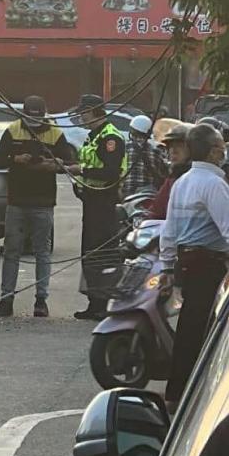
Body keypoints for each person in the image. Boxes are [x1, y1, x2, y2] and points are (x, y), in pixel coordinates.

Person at [160, 123, 229, 406]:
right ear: (213, 151)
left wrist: (166, 267)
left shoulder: (183, 183)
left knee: (190, 328)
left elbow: (170, 229)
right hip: (208, 265)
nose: (223, 150)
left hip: (187, 264)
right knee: (204, 332)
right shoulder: (214, 185)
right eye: (221, 146)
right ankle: (190, 397)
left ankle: (177, 393)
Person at [0, 95, 77, 318]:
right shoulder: (13, 130)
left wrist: (53, 164)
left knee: (42, 252)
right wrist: (16, 159)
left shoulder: (55, 133)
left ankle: (41, 300)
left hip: (43, 202)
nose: (34, 126)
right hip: (16, 201)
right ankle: (6, 299)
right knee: (11, 251)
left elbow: (69, 163)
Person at [68, 94, 128, 320]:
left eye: (84, 112)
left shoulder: (110, 137)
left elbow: (111, 173)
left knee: (103, 253)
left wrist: (81, 170)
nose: (81, 117)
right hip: (91, 201)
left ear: (94, 111)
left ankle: (103, 303)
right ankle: (94, 303)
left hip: (105, 203)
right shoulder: (93, 136)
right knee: (90, 253)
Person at [120, 114, 169, 200]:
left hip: (127, 194)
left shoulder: (123, 148)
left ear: (132, 130)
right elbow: (164, 172)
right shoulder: (156, 150)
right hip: (148, 194)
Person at [149, 123, 192, 219]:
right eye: (171, 146)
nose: (173, 151)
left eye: (180, 145)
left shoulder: (203, 179)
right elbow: (156, 212)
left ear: (193, 149)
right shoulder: (172, 179)